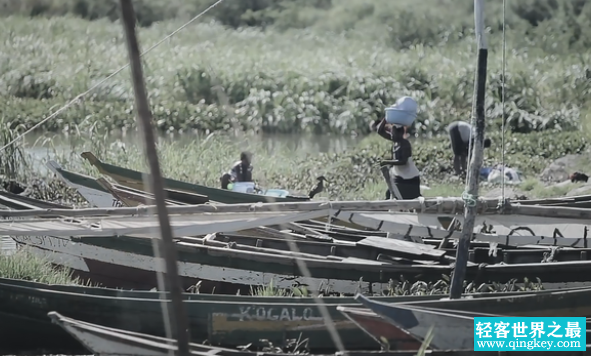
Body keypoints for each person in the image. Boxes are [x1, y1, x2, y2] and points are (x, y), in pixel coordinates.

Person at [372, 118, 421, 200]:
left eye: (393, 132)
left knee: (410, 199)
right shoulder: (395, 141)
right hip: (399, 176)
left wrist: (386, 162)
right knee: (390, 193)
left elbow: (403, 161)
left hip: (410, 177)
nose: (391, 134)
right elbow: (380, 131)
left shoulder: (404, 144)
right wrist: (385, 119)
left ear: (400, 133)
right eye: (391, 132)